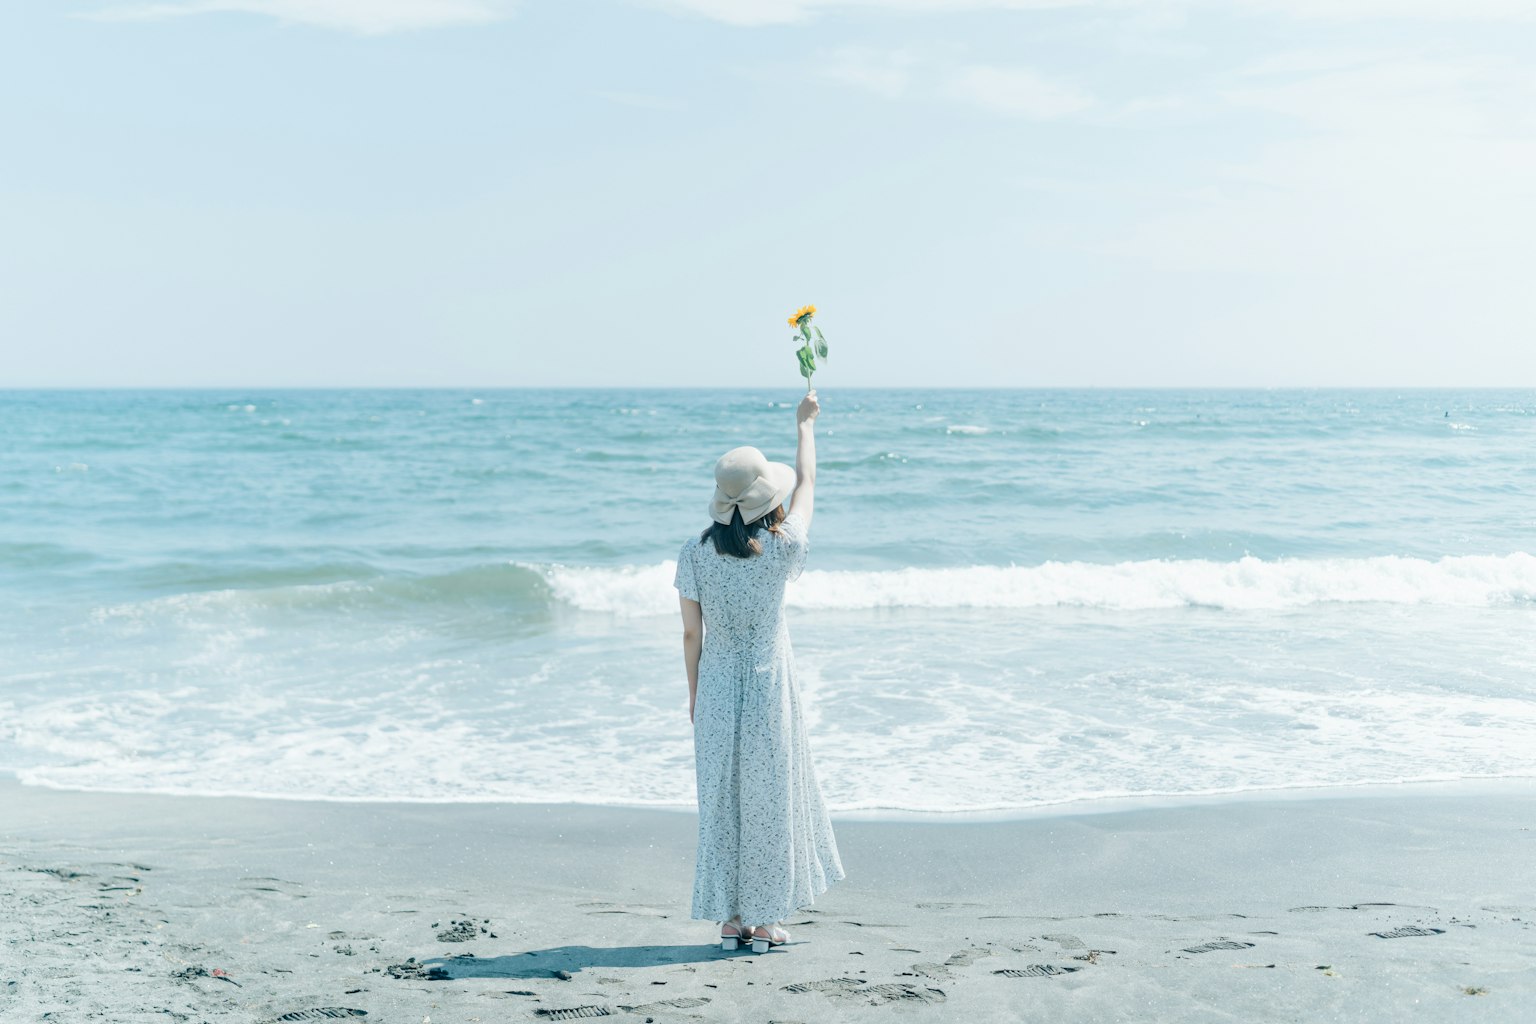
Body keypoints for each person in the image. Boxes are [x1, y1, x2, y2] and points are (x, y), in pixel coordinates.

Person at [673, 389, 845, 954]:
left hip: (718, 684)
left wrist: (695, 696)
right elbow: (809, 484)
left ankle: (730, 921)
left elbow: (691, 634)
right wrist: (805, 425)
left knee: (722, 800)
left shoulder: (695, 553)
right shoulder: (783, 547)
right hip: (770, 683)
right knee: (768, 798)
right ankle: (766, 922)